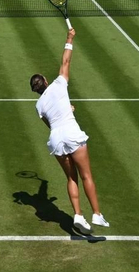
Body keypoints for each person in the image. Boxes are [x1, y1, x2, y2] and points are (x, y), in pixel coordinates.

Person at [30, 27, 108, 236]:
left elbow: (51, 123)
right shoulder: (59, 83)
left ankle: (78, 216)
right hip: (72, 133)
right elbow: (66, 61)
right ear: (45, 81)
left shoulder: (39, 106)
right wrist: (69, 38)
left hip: (56, 138)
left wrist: (67, 109)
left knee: (71, 178)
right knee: (86, 175)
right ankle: (97, 214)